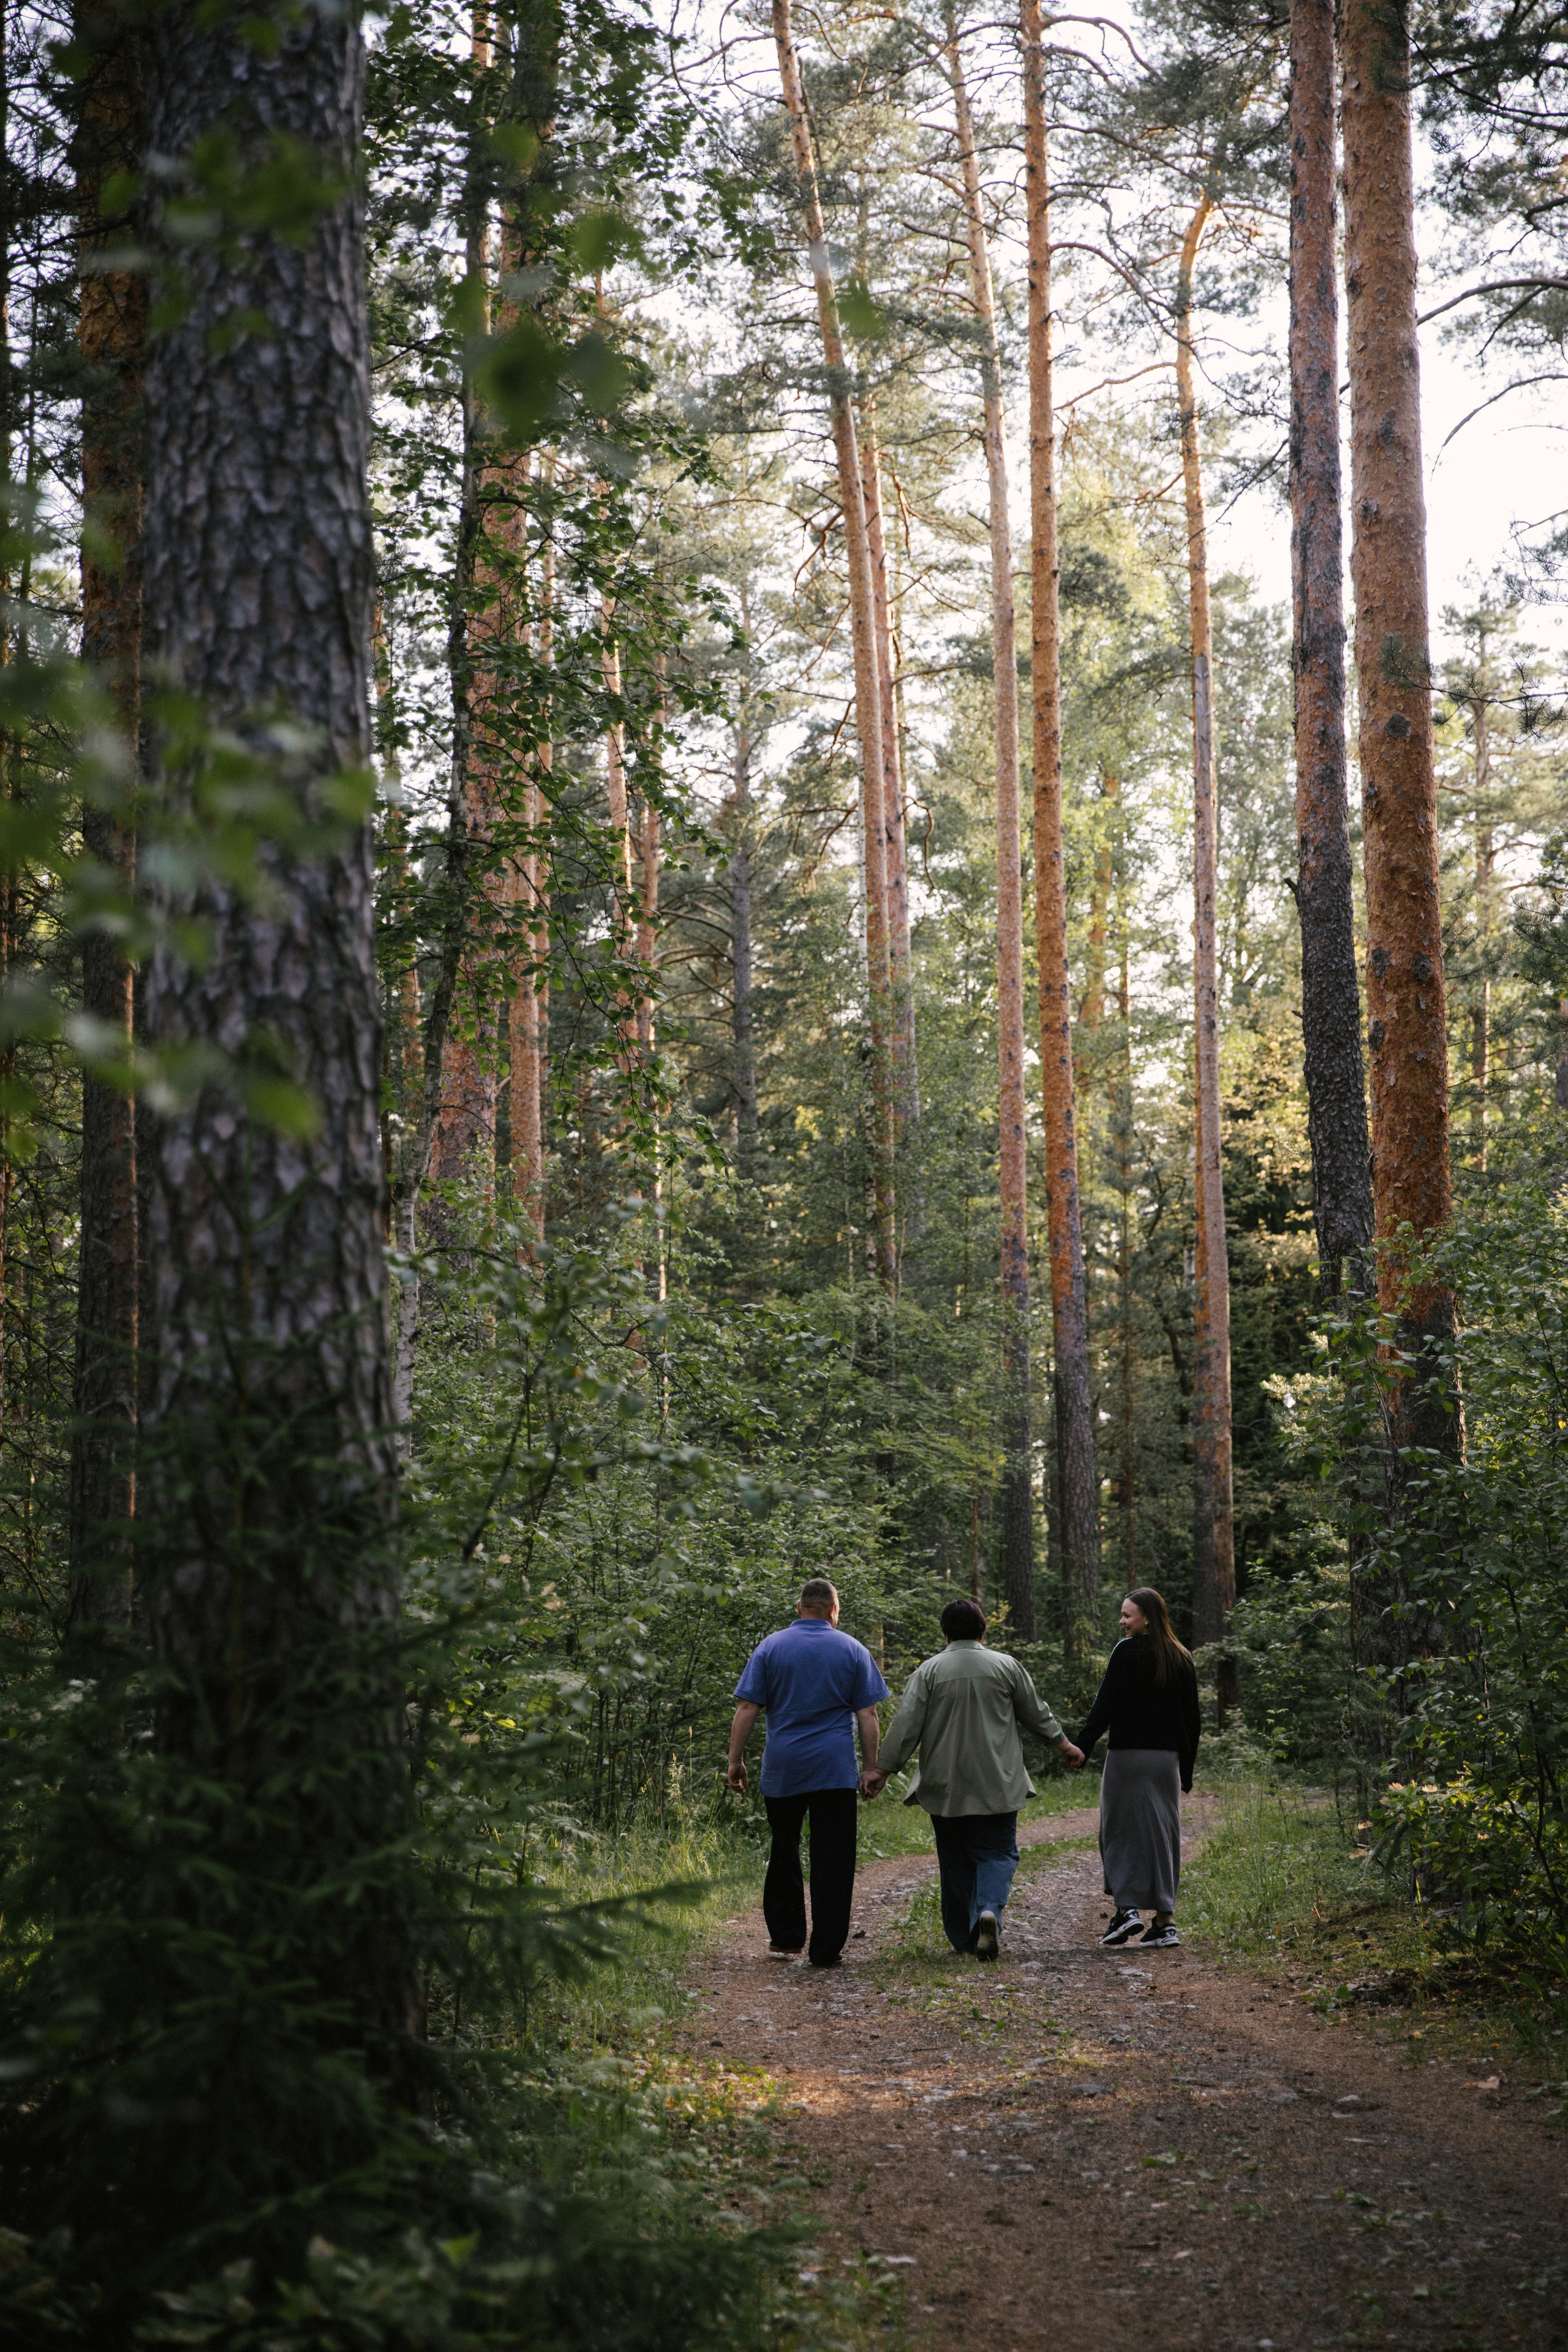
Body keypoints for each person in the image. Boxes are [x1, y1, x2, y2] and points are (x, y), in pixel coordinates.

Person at [859, 1598, 1083, 1961]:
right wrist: (1064, 1745)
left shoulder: (928, 1672)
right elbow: (1036, 1714)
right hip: (998, 1781)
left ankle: (964, 1940)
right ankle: (989, 1910)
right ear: (983, 1630)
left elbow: (905, 1726)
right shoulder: (1007, 1666)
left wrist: (882, 1770)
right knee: (996, 1851)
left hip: (944, 1785)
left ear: (945, 1633)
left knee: (955, 1859)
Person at [728, 1578, 889, 1967]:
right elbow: (868, 1713)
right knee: (833, 1857)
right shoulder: (853, 1649)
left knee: (784, 1849)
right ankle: (826, 1949)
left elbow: (748, 1707)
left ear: (799, 1607)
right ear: (834, 1611)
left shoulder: (771, 1647)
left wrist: (735, 1760)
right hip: (833, 1771)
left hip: (783, 1769)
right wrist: (872, 1768)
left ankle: (786, 1938)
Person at [1076, 1586, 1200, 1950]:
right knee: (1164, 1836)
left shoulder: (1126, 1652)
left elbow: (1106, 1705)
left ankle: (1126, 1911)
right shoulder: (1181, 1656)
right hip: (1167, 1761)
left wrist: (1082, 1746)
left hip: (1128, 1757)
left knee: (1118, 1831)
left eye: (1127, 1615)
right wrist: (1186, 1769)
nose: (1122, 1621)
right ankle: (1165, 1923)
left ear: (1147, 1618)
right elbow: (1192, 1720)